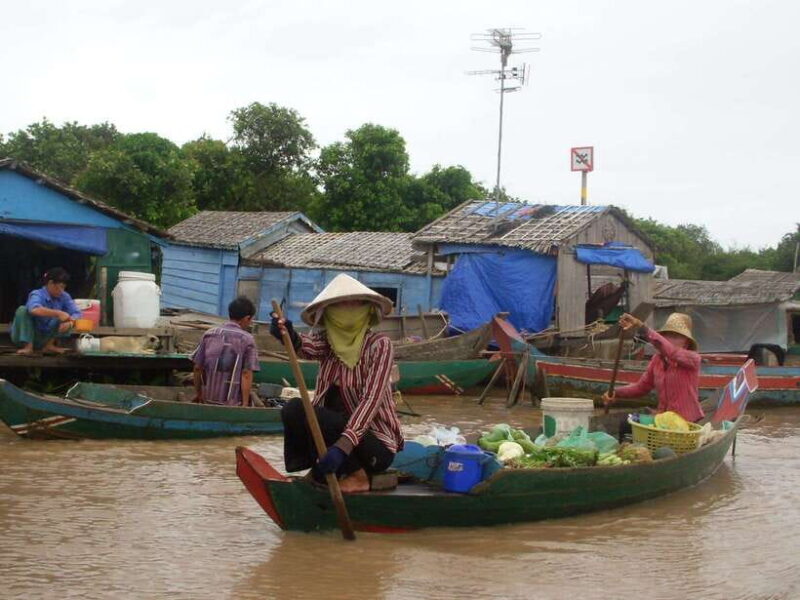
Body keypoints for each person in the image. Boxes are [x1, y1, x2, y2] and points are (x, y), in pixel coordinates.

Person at [270, 273, 403, 493]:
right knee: (294, 409)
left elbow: (371, 400)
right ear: (329, 313)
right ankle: (318, 468)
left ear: (367, 309)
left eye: (355, 304)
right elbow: (307, 347)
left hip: (373, 445)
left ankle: (358, 476)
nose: (347, 310)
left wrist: (344, 446)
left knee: (321, 417)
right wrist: (287, 333)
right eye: (340, 305)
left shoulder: (379, 345)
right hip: (334, 437)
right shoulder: (328, 343)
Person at [603, 312, 704, 422]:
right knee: (627, 421)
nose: (670, 340)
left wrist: (641, 326)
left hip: (685, 421)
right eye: (667, 336)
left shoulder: (692, 358)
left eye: (676, 337)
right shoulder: (657, 360)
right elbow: (641, 387)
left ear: (686, 343)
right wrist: (615, 392)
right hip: (663, 419)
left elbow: (672, 352)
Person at [191, 296, 260, 407]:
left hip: (208, 401)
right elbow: (246, 374)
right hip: (233, 404)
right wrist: (245, 404)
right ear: (247, 318)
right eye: (251, 320)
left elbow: (197, 367)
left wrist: (199, 393)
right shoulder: (247, 340)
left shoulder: (209, 334)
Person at [11, 267, 81, 356]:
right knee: (22, 310)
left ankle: (49, 346)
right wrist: (58, 313)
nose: (62, 290)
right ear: (50, 283)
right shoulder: (37, 294)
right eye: (60, 287)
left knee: (65, 317)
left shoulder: (64, 296)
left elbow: (77, 313)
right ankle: (28, 346)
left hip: (44, 338)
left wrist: (70, 323)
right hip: (23, 337)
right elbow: (33, 309)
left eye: (64, 287)